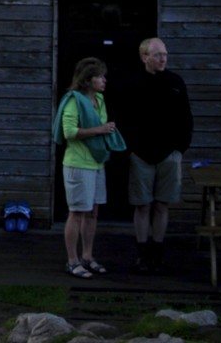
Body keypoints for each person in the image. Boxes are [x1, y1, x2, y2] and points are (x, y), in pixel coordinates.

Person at [117, 38, 193, 273]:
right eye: (157, 54)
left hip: (169, 154)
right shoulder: (132, 83)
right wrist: (130, 150)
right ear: (144, 57)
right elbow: (121, 119)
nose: (162, 59)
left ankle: (158, 251)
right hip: (140, 154)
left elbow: (186, 118)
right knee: (142, 205)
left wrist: (179, 149)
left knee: (162, 204)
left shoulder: (175, 83)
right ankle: (142, 252)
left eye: (165, 55)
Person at [52, 57, 125, 279]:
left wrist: (105, 131)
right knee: (76, 212)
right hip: (77, 164)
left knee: (93, 211)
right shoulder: (74, 100)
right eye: (100, 76)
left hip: (96, 163)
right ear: (87, 80)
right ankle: (72, 261)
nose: (104, 80)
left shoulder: (100, 100)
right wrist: (99, 130)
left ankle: (87, 256)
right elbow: (69, 132)